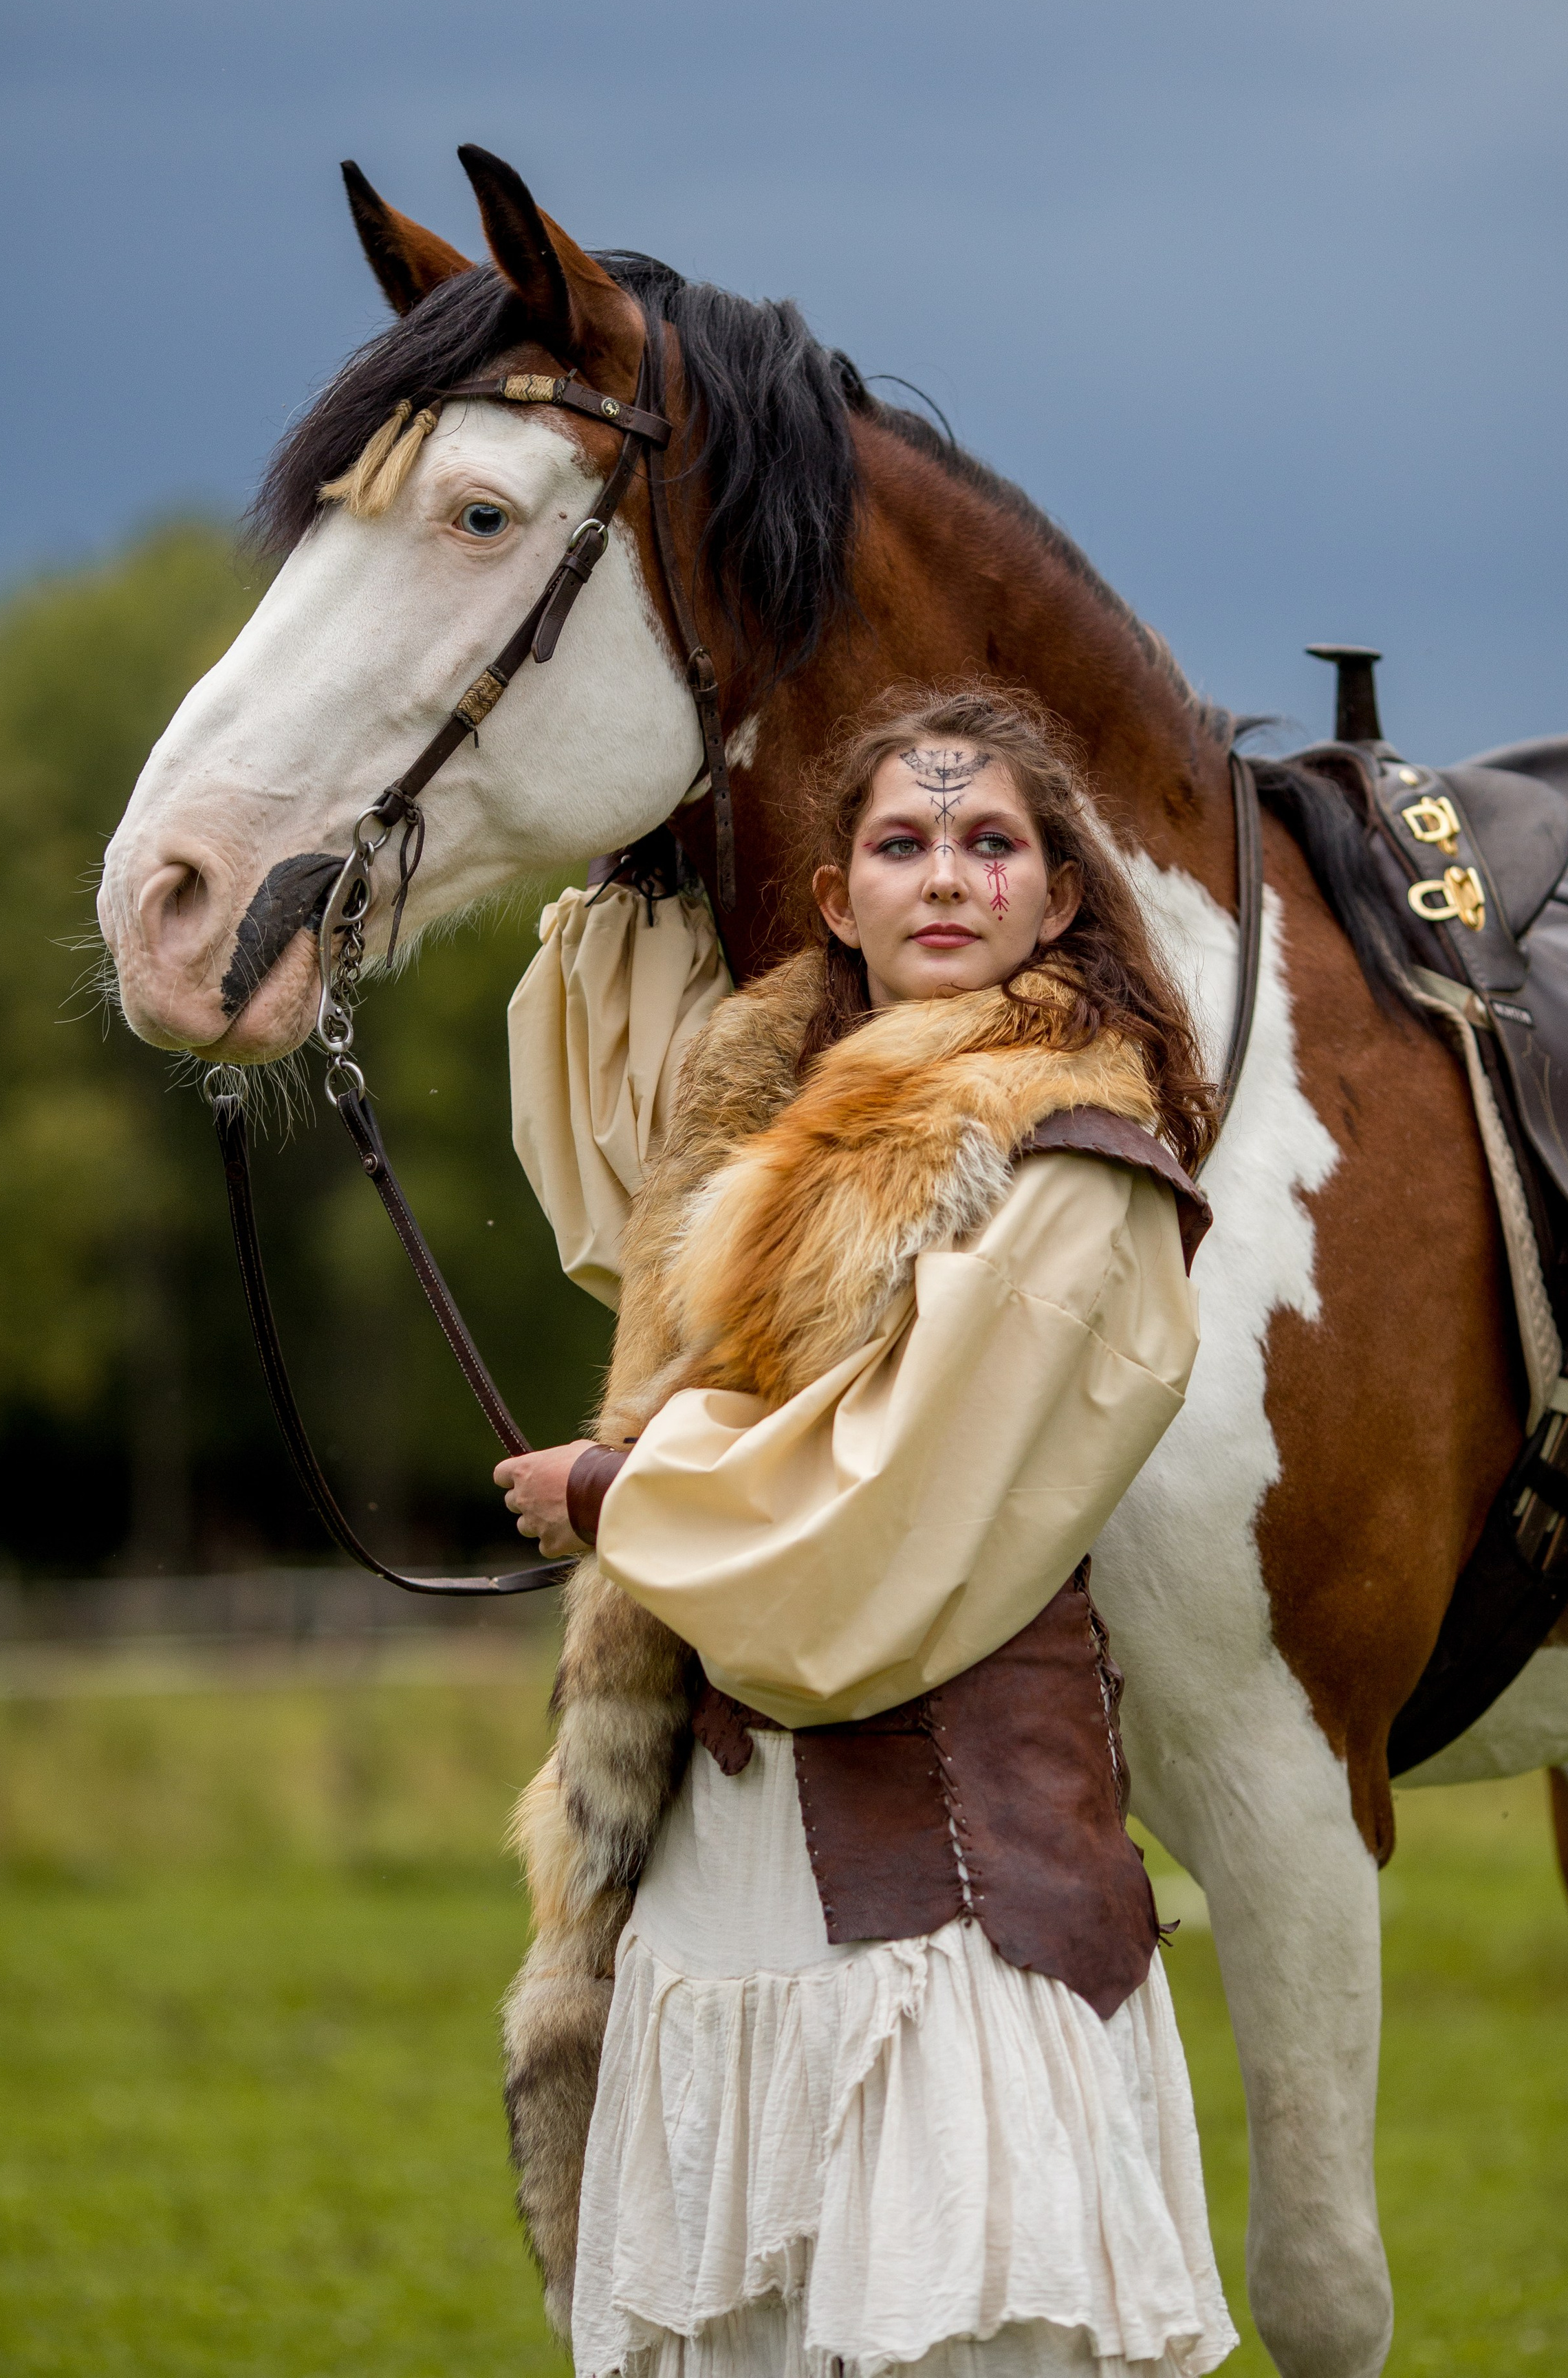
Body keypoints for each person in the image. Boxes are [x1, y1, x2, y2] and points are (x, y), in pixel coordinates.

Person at [497, 686, 1238, 2378]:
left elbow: (890, 1520)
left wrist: (618, 1491)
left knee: (950, 2329)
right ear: (836, 898)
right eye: (901, 844)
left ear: (1059, 896)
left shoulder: (1078, 1164)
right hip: (721, 1868)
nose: (947, 879)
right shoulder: (775, 1121)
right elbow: (592, 1106)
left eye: (992, 845)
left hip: (953, 1877)